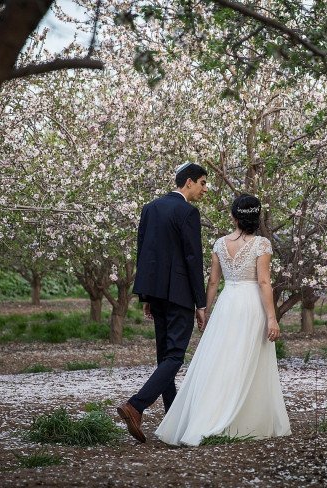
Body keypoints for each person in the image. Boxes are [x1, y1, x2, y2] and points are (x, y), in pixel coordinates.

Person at [154, 194, 291, 446]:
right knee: (248, 359)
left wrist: (203, 308)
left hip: (227, 304)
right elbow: (263, 282)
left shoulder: (219, 243)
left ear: (234, 216)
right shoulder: (262, 244)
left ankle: (210, 414)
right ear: (256, 218)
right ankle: (243, 419)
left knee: (221, 359)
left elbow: (214, 281)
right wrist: (272, 318)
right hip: (251, 305)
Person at [117, 162, 208, 443]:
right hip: (179, 294)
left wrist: (146, 295)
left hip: (155, 292)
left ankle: (173, 421)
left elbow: (143, 251)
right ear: (189, 182)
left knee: (164, 357)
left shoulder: (150, 208)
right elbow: (193, 259)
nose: (205, 190)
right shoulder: (188, 212)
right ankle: (136, 405)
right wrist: (200, 303)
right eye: (203, 183)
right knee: (175, 357)